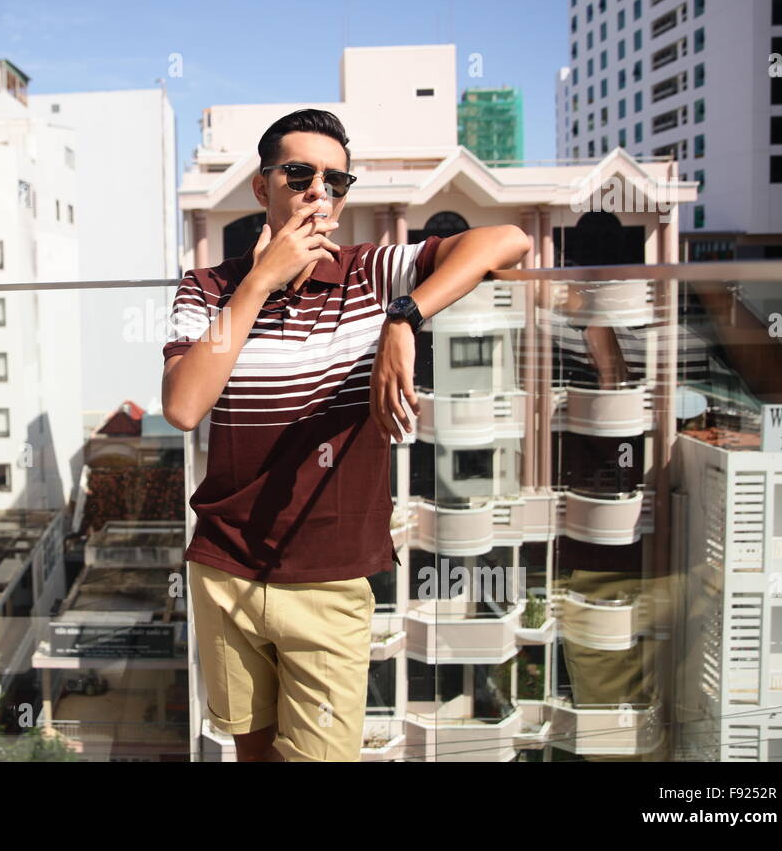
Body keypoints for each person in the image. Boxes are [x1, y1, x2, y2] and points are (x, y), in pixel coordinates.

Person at [161, 108, 531, 761]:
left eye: (335, 180)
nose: (316, 191)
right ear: (262, 186)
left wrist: (404, 318)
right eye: (299, 174)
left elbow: (505, 241)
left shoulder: (371, 275)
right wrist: (260, 281)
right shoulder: (206, 289)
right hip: (224, 568)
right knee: (250, 754)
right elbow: (185, 406)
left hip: (330, 581)